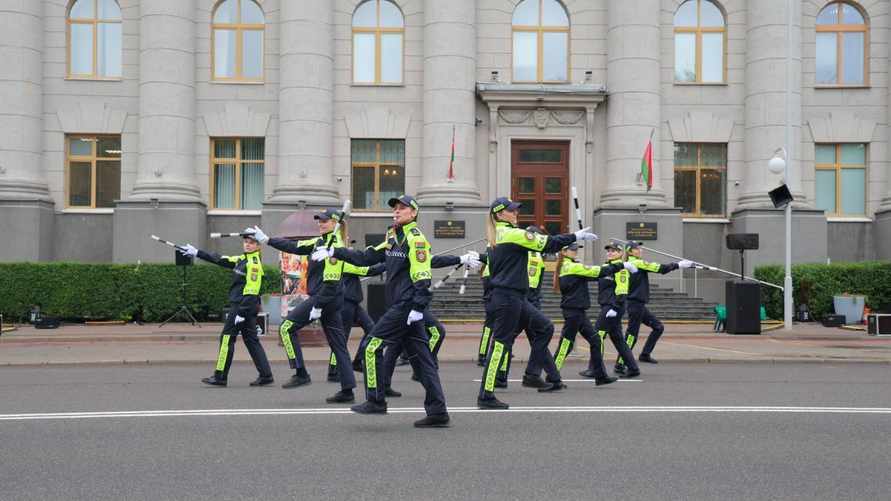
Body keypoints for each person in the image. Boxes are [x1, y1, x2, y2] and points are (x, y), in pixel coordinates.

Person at [313, 194, 450, 428]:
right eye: (395, 208)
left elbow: (422, 274)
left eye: (402, 208)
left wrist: (418, 305)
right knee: (423, 360)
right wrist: (335, 252)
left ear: (413, 213)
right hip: (402, 305)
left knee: (370, 346)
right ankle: (438, 412)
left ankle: (376, 400)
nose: (397, 211)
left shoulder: (415, 239)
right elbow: (367, 257)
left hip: (406, 305)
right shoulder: (392, 236)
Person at [477, 197, 601, 410]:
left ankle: (532, 374)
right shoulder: (512, 234)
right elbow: (548, 243)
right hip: (507, 297)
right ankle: (485, 395)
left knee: (544, 327)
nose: (516, 213)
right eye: (511, 210)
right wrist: (575, 236)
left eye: (516, 210)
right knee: (500, 345)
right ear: (499, 214)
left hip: (515, 297)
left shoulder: (497, 235)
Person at [250, 210, 357, 404]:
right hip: (328, 299)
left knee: (287, 327)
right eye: (319, 221)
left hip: (325, 298)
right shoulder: (319, 242)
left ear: (335, 224)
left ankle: (300, 372)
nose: (320, 224)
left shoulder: (335, 247)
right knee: (338, 345)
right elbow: (294, 246)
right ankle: (347, 389)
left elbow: (331, 283)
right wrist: (267, 240)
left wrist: (318, 306)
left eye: (325, 221)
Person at [178, 231, 274, 388]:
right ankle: (266, 375)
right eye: (246, 242)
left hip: (242, 307)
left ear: (258, 246)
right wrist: (197, 252)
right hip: (244, 307)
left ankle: (220, 376)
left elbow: (252, 291)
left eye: (251, 242)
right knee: (251, 341)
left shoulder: (254, 264)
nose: (247, 244)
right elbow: (220, 259)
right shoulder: (242, 259)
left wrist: (241, 313)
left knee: (226, 339)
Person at [552, 242, 631, 386]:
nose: (575, 252)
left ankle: (600, 376)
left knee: (595, 341)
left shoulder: (572, 266)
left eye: (576, 249)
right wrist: (621, 265)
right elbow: (597, 272)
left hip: (578, 311)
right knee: (566, 345)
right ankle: (552, 376)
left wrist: (611, 270)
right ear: (564, 252)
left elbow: (595, 276)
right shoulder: (572, 266)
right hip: (573, 311)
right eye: (572, 250)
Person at [615, 241, 693, 370]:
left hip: (639, 303)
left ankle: (645, 354)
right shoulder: (637, 262)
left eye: (640, 248)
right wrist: (678, 265)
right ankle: (621, 362)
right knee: (631, 335)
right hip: (635, 303)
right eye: (637, 248)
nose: (640, 250)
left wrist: (679, 265)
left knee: (658, 327)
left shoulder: (635, 262)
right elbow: (660, 268)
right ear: (630, 252)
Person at [494, 225, 549, 389]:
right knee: (541, 333)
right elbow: (532, 284)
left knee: (511, 339)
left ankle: (502, 377)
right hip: (525, 301)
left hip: (524, 300)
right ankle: (548, 377)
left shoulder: (530, 254)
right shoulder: (533, 255)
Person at [584, 241, 642, 379]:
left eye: (614, 250)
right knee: (618, 340)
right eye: (608, 250)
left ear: (621, 254)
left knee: (597, 336)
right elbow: (593, 276)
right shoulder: (606, 267)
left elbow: (622, 290)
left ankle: (594, 369)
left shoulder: (621, 269)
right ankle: (633, 368)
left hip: (613, 307)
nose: (610, 252)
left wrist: (615, 308)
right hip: (607, 306)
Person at [326, 257, 385, 382]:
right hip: (345, 303)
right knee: (341, 338)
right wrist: (388, 263)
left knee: (372, 330)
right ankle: (333, 371)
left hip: (354, 303)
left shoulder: (347, 260)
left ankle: (358, 361)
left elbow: (364, 260)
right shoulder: (344, 263)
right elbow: (368, 270)